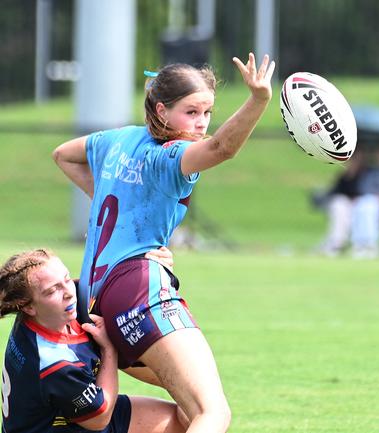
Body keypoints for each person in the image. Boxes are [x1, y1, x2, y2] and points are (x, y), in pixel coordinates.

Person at [52, 53, 275, 433]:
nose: (202, 123)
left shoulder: (117, 139)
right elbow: (222, 149)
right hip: (137, 290)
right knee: (212, 412)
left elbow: (63, 155)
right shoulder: (169, 155)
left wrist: (118, 211)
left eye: (207, 112)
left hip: (96, 301)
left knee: (188, 413)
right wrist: (258, 100)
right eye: (191, 112)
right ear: (161, 110)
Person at [0, 248, 187, 433]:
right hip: (80, 422)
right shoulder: (54, 363)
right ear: (28, 307)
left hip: (70, 416)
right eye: (52, 291)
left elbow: (121, 289)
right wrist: (109, 350)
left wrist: (153, 268)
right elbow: (99, 419)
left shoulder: (51, 312)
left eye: (66, 279)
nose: (68, 292)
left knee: (186, 416)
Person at [319, 143, 379, 258]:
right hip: (365, 202)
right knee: (347, 204)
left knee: (369, 204)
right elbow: (363, 189)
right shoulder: (373, 172)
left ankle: (369, 245)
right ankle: (341, 244)